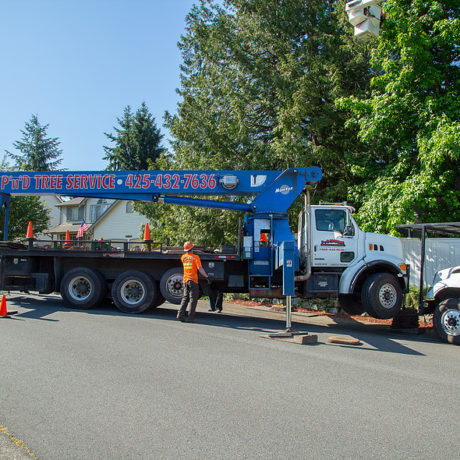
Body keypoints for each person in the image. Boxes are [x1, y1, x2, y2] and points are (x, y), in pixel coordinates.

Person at [177, 241, 209, 323]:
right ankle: (191, 317)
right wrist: (206, 277)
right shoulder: (195, 257)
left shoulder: (183, 257)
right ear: (192, 248)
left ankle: (180, 314)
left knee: (185, 298)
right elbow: (200, 268)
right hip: (193, 280)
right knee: (193, 299)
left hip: (185, 280)